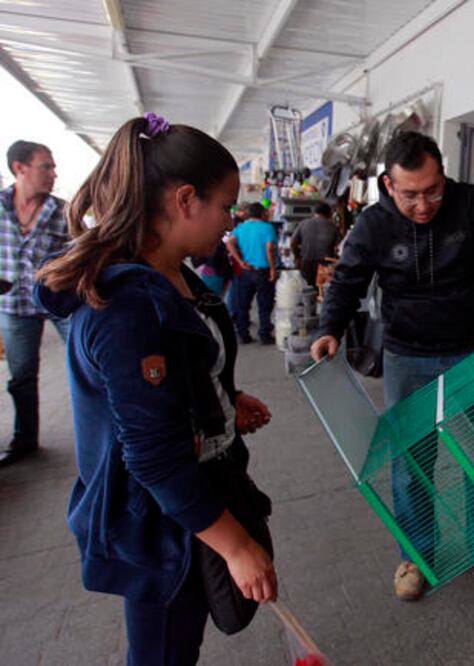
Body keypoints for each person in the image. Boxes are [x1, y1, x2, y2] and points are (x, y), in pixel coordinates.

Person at [34, 114, 278, 665]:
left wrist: (221, 401)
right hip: (159, 522)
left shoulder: (175, 275)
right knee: (163, 651)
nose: (230, 222)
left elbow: (183, 367)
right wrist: (237, 547)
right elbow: (153, 456)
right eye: (225, 206)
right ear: (185, 199)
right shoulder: (128, 308)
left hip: (193, 500)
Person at [310, 131, 474, 604]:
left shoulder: (469, 203)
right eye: (410, 195)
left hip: (473, 354)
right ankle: (415, 557)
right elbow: (347, 281)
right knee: (411, 465)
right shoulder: (374, 224)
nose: (423, 206)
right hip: (406, 359)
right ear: (388, 184)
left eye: (433, 191)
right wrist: (329, 328)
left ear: (444, 177)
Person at [0, 140, 70, 467]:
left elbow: (80, 253)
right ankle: (25, 439)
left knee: (92, 361)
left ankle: (112, 427)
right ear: (20, 168)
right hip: (14, 305)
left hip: (59, 301)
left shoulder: (63, 211)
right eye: (46, 167)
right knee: (21, 377)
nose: (54, 174)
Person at [226, 202, 277, 344]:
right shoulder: (267, 227)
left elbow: (229, 243)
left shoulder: (240, 227)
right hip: (263, 271)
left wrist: (240, 261)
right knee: (265, 304)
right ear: (262, 214)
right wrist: (273, 269)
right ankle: (264, 335)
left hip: (245, 271)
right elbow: (269, 249)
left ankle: (243, 334)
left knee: (243, 304)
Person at [290, 201, 341, 287]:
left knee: (307, 290)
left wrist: (297, 257)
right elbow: (340, 248)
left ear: (315, 212)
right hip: (324, 268)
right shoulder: (333, 227)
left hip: (306, 264)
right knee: (322, 291)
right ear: (329, 214)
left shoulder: (304, 223)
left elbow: (293, 242)